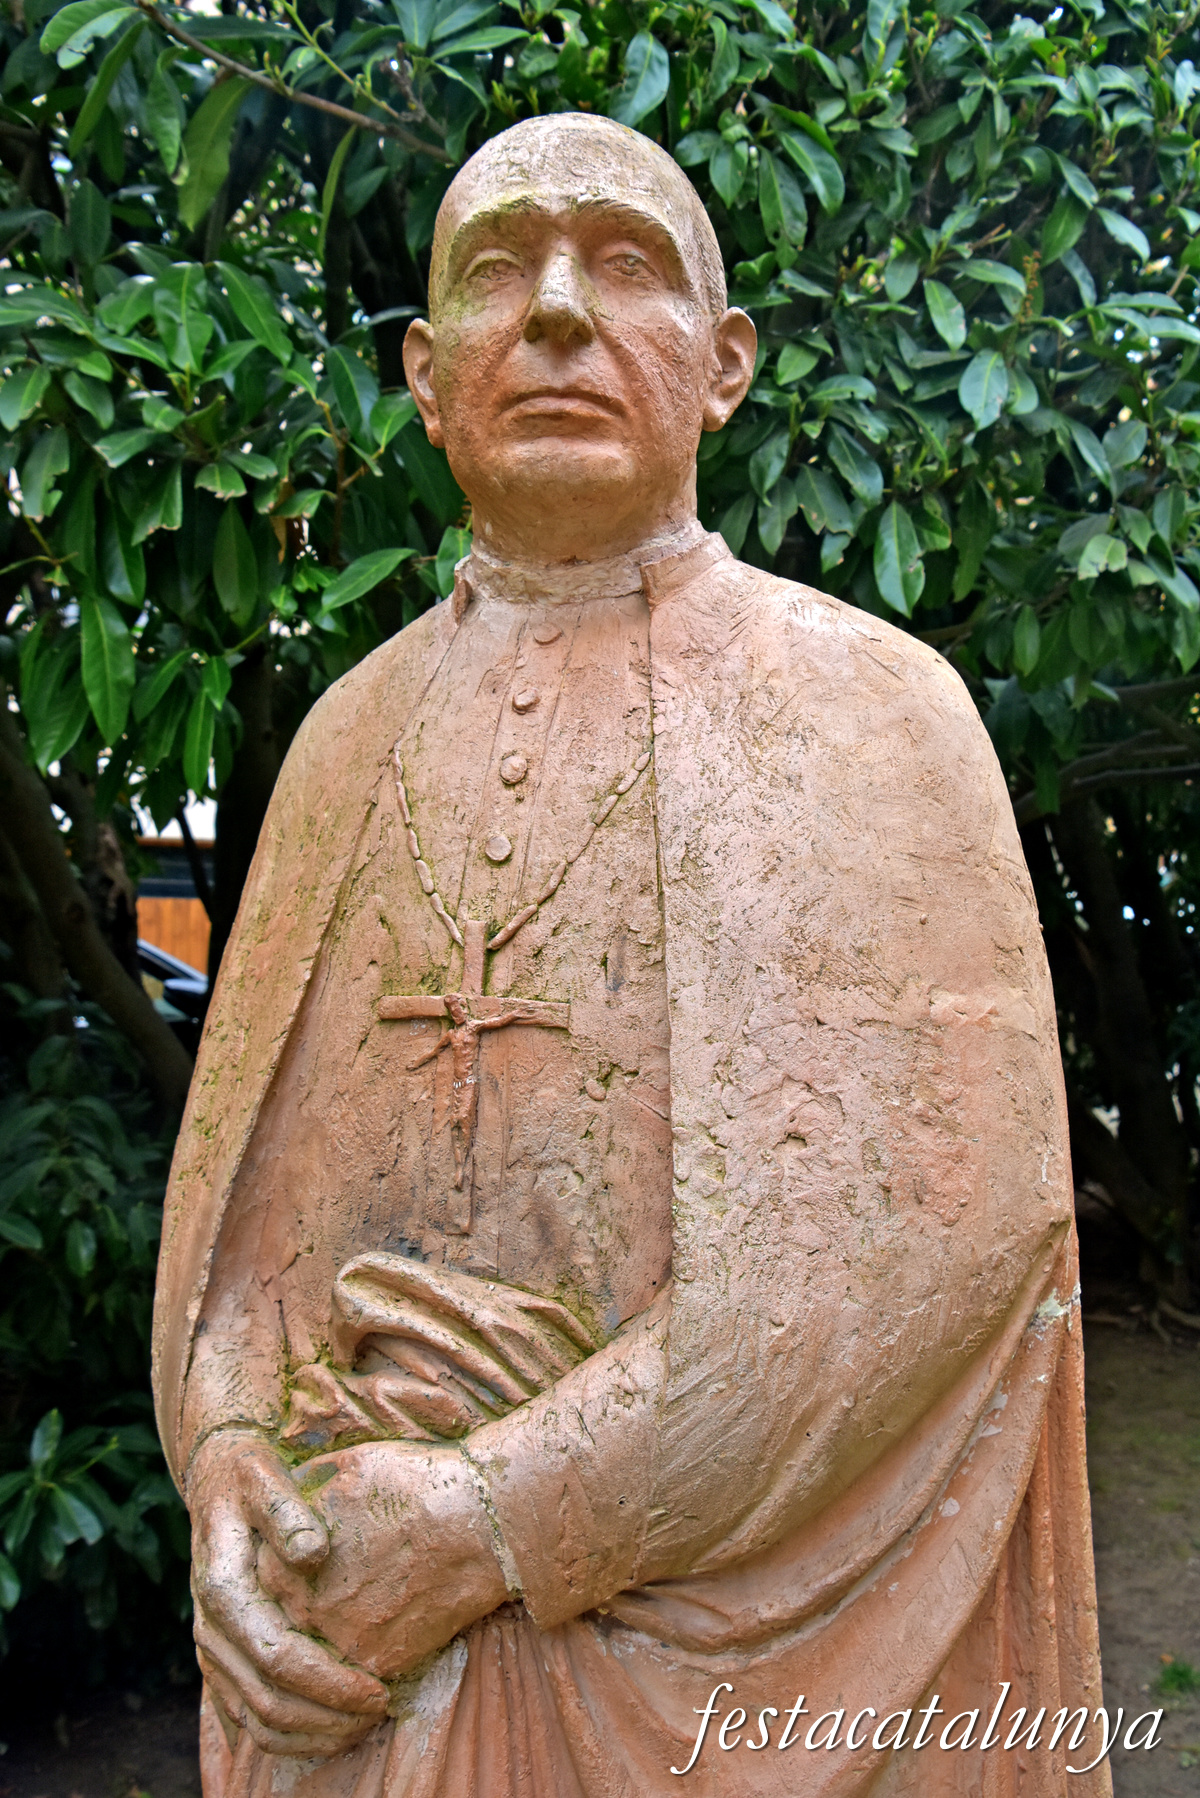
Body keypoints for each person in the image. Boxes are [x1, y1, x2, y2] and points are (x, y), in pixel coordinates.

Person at [154, 113, 1109, 1797]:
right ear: (427, 372)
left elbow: (935, 1253)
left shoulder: (876, 712)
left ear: (725, 366)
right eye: (496, 272)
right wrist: (231, 1451)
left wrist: (495, 1514)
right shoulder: (340, 744)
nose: (561, 314)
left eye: (626, 264)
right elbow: (237, 1248)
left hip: (753, 1657)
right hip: (350, 1669)